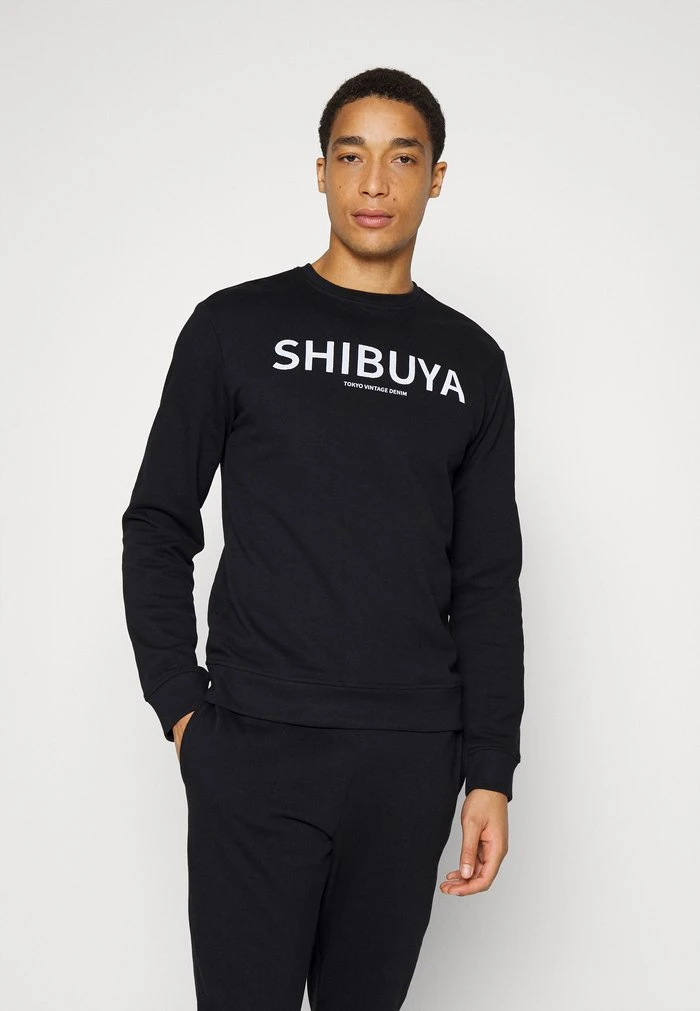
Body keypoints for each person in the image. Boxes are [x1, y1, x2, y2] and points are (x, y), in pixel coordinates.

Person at [121, 65, 525, 1011]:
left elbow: (486, 578)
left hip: (409, 757)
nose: (374, 183)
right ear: (320, 171)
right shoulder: (235, 327)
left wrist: (490, 771)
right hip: (255, 745)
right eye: (351, 156)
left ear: (436, 177)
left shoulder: (472, 362)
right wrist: (183, 710)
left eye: (402, 158)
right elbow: (158, 522)